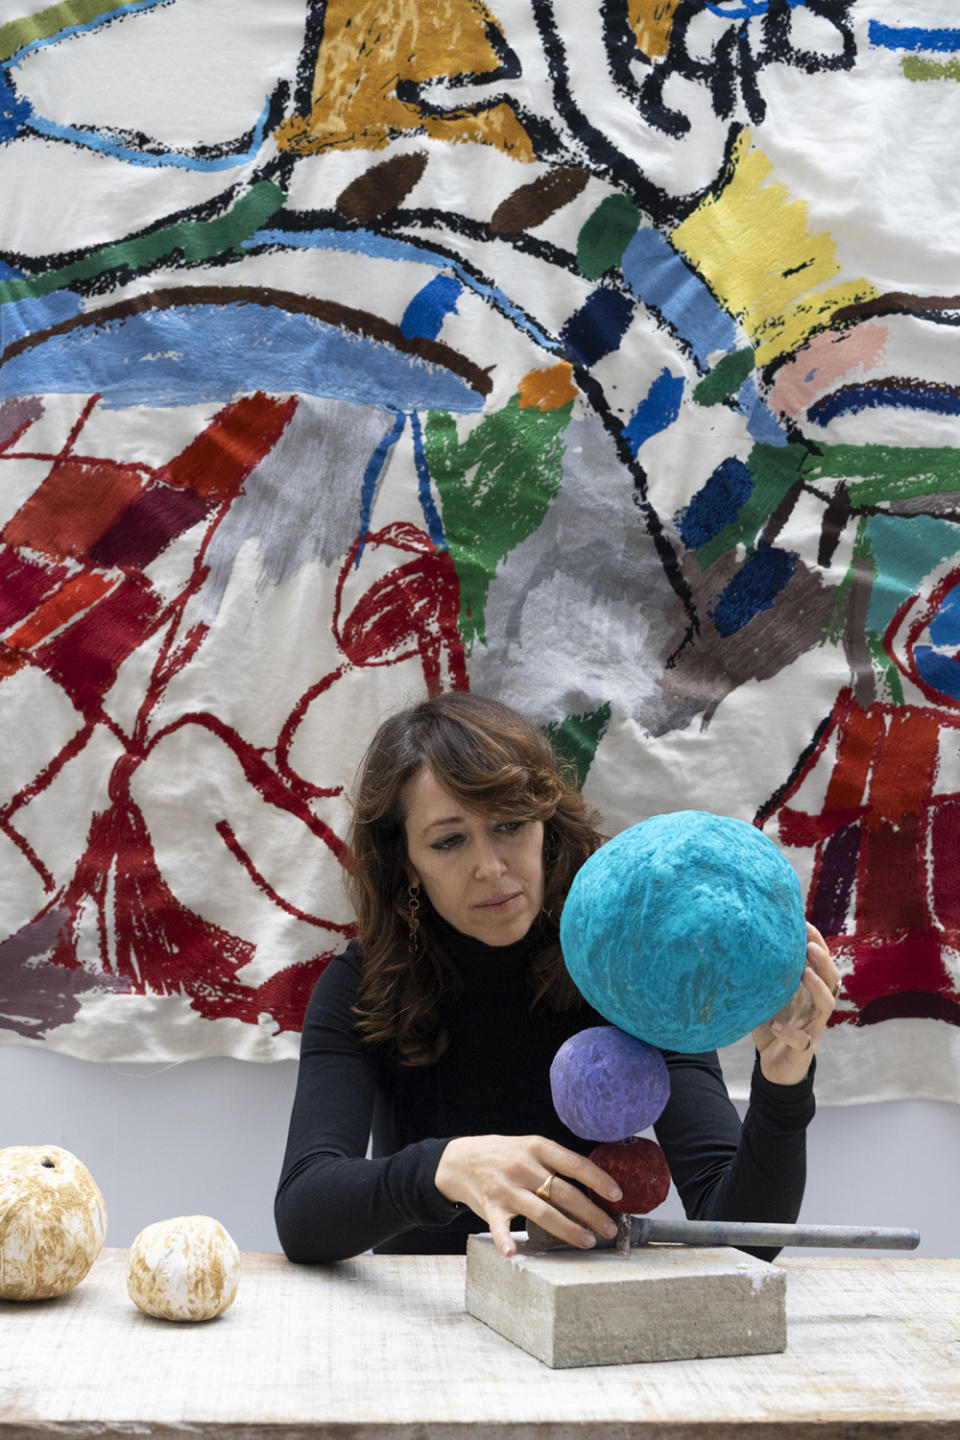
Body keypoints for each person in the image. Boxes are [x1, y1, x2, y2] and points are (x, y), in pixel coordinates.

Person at [275, 691, 838, 1264]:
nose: (491, 868)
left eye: (510, 824)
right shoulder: (362, 986)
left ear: (546, 823)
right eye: (449, 840)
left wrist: (783, 1083)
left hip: (585, 1327)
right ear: (407, 865)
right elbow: (303, 1215)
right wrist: (445, 1166)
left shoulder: (630, 968)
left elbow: (744, 1238)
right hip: (427, 1324)